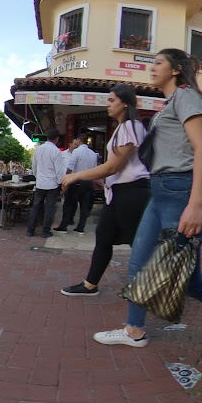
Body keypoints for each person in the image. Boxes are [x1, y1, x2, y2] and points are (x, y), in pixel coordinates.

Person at [93, 48, 202, 348]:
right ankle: (134, 330)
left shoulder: (187, 96)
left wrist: (196, 202)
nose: (152, 68)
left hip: (179, 190)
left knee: (187, 279)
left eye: (158, 63)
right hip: (159, 190)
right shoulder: (168, 104)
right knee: (137, 264)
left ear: (175, 69)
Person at [60, 85, 152, 297]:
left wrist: (76, 175)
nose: (108, 104)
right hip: (119, 192)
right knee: (104, 236)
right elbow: (116, 168)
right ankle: (90, 284)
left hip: (132, 192)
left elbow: (114, 166)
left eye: (112, 100)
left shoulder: (131, 125)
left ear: (125, 103)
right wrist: (105, 180)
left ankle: (154, 285)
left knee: (137, 242)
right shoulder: (123, 128)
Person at [55, 132, 98, 233]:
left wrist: (67, 178)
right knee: (84, 206)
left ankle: (64, 225)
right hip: (88, 182)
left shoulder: (77, 152)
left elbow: (70, 167)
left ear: (79, 140)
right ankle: (80, 227)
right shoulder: (93, 154)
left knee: (68, 203)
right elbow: (95, 169)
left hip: (76, 181)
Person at [26, 131, 66, 238]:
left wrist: (38, 177)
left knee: (36, 207)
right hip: (52, 185)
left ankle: (30, 230)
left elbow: (34, 167)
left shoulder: (38, 150)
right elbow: (59, 171)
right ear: (57, 139)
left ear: (47, 138)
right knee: (49, 208)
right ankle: (45, 231)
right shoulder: (56, 151)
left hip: (40, 184)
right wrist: (61, 183)